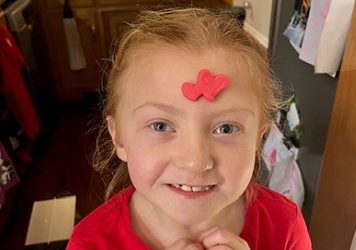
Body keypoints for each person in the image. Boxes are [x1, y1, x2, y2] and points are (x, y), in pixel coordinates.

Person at [66, 7, 312, 250]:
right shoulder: (89, 243)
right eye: (161, 126)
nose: (196, 162)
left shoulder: (285, 225)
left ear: (258, 141)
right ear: (119, 137)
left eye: (226, 128)